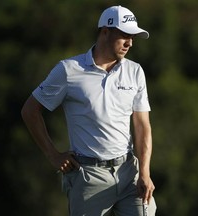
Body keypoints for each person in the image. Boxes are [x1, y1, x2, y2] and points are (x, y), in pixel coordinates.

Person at [21, 5, 156, 216]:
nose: (130, 43)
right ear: (105, 32)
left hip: (129, 172)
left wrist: (145, 173)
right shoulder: (68, 70)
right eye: (124, 36)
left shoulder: (135, 71)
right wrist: (53, 155)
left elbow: (142, 126)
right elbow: (30, 110)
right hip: (88, 177)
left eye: (133, 37)